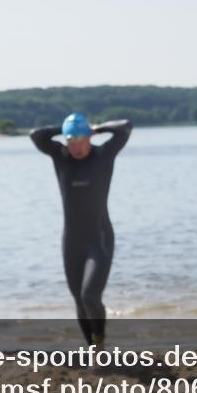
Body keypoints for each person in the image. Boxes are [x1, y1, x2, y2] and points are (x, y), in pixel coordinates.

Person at [31, 112, 132, 347]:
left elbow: (125, 127)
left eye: (80, 140)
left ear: (89, 138)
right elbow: (36, 135)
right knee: (78, 299)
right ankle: (93, 349)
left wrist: (93, 128)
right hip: (72, 241)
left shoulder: (103, 155)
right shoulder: (61, 156)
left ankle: (99, 343)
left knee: (90, 296)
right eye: (71, 141)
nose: (76, 147)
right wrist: (66, 128)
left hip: (100, 238)